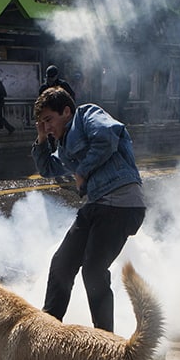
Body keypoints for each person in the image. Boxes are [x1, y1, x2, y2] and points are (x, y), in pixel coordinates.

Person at [30, 87, 145, 333]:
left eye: (49, 120)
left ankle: (105, 340)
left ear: (66, 111)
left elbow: (107, 136)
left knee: (93, 270)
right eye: (42, 122)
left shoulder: (86, 114)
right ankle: (46, 331)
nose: (47, 126)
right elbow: (48, 168)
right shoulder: (62, 147)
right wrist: (41, 139)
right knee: (62, 263)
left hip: (122, 202)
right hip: (96, 205)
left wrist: (83, 171)